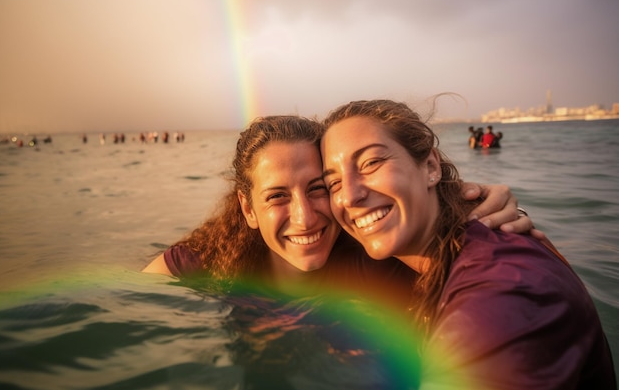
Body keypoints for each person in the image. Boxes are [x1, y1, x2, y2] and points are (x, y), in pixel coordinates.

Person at [320, 99, 616, 389]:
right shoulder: (444, 252)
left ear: (431, 166)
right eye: (333, 183)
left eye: (371, 163)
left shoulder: (504, 285)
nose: (348, 196)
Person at [143, 115, 537, 303]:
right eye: (277, 196)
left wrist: (481, 218)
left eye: (319, 188)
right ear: (247, 208)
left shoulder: (381, 267)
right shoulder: (202, 265)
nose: (305, 216)